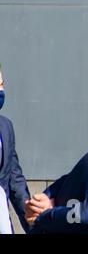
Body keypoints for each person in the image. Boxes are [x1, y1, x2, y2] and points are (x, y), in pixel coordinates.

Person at [0, 65, 31, 234]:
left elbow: (14, 179)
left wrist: (33, 219)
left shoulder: (5, 127)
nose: (1, 90)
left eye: (2, 83)